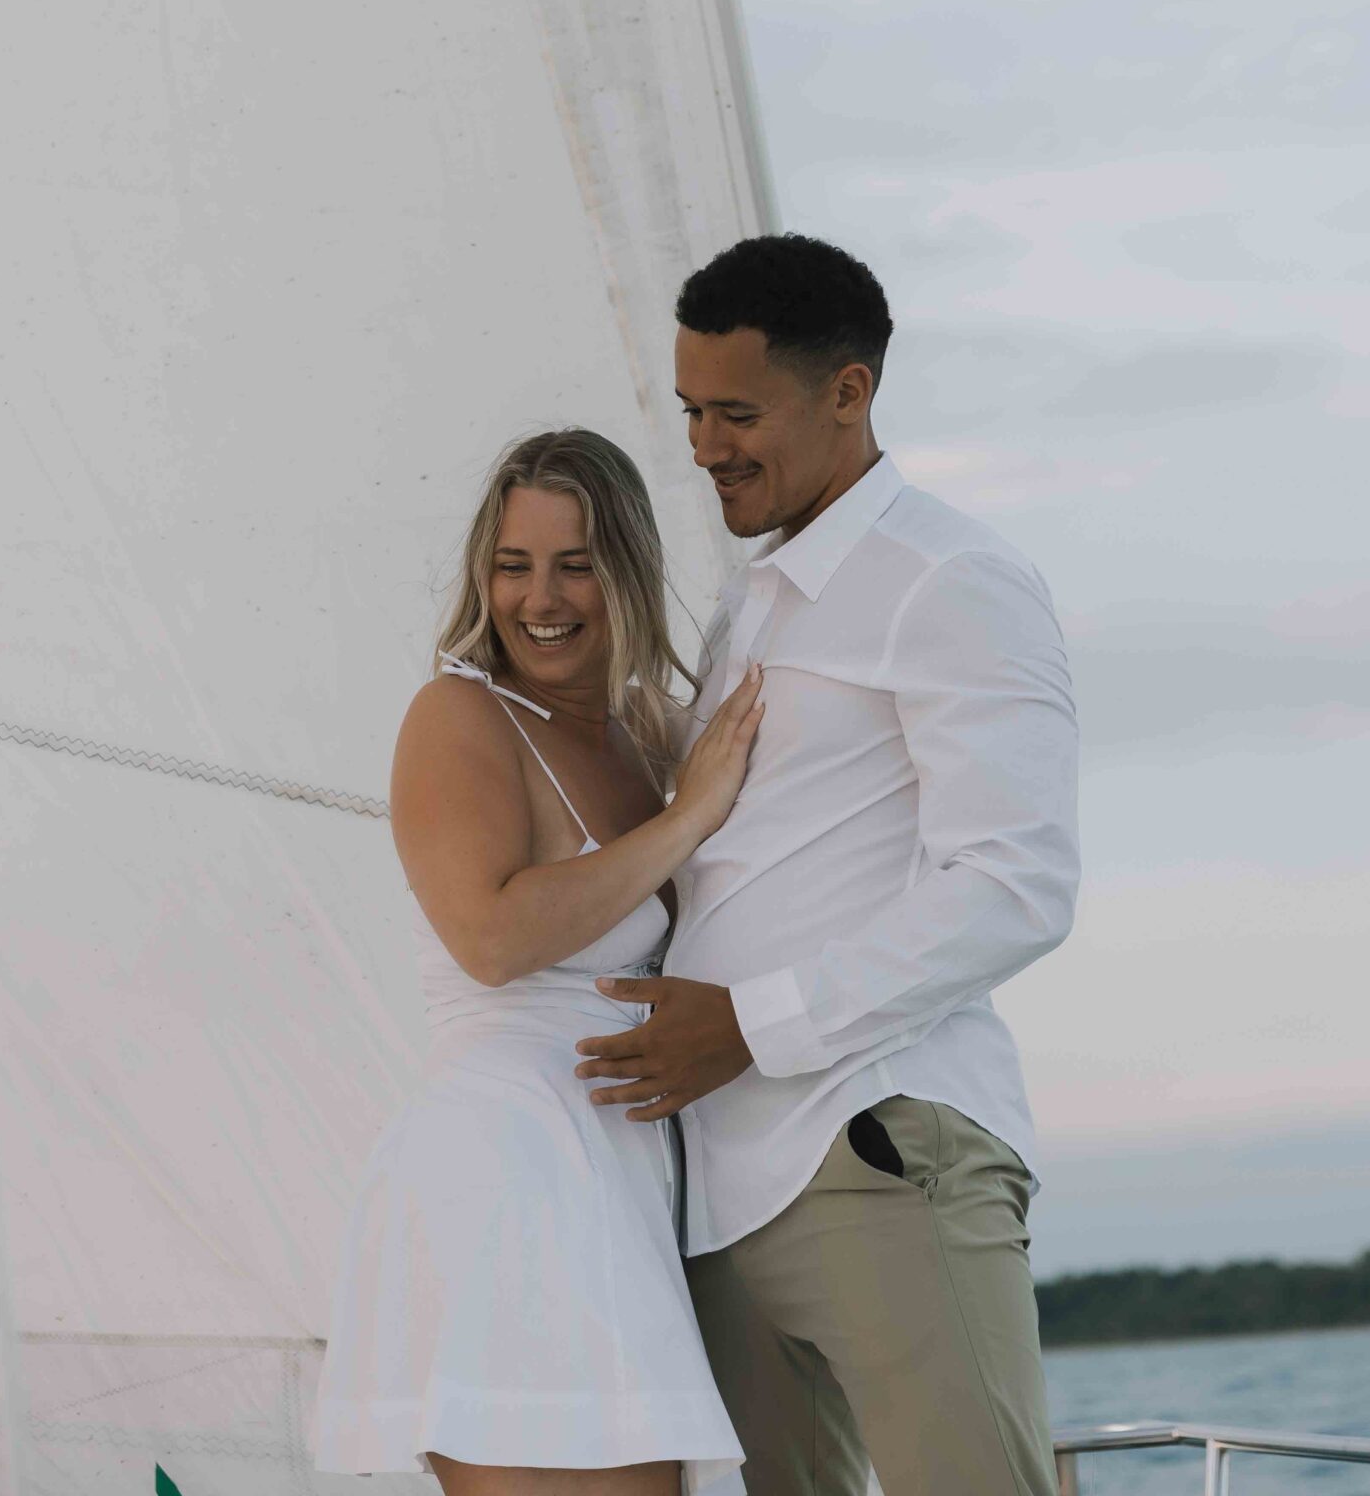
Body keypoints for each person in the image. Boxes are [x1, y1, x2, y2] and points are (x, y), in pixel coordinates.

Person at [574, 234, 1081, 1496]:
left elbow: (1016, 883)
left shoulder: (952, 579)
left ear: (848, 392)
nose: (703, 445)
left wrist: (751, 1025)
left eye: (737, 411)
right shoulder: (747, 605)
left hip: (874, 1153)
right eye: (691, 410)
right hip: (713, 1196)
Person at [312, 427, 756, 1496]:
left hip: (619, 1188)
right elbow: (493, 935)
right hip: (510, 1175)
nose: (540, 597)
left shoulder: (645, 736)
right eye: (513, 565)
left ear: (628, 573)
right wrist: (690, 816)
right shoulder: (461, 713)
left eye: (575, 563)